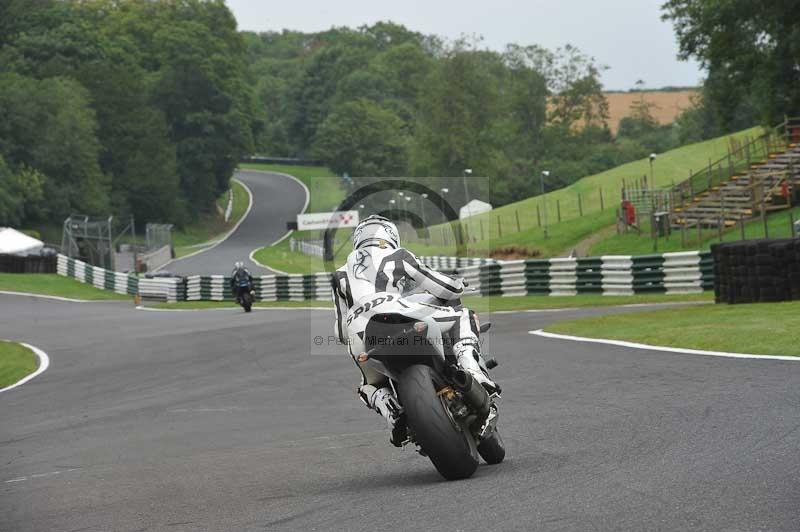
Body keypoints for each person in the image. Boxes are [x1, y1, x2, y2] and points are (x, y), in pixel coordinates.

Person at [331, 215, 497, 446]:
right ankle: (472, 370)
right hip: (402, 314)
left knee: (370, 385)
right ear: (391, 236)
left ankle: (393, 414)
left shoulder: (339, 274)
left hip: (361, 333)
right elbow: (444, 288)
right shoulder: (398, 256)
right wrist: (459, 285)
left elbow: (340, 331)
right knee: (463, 316)